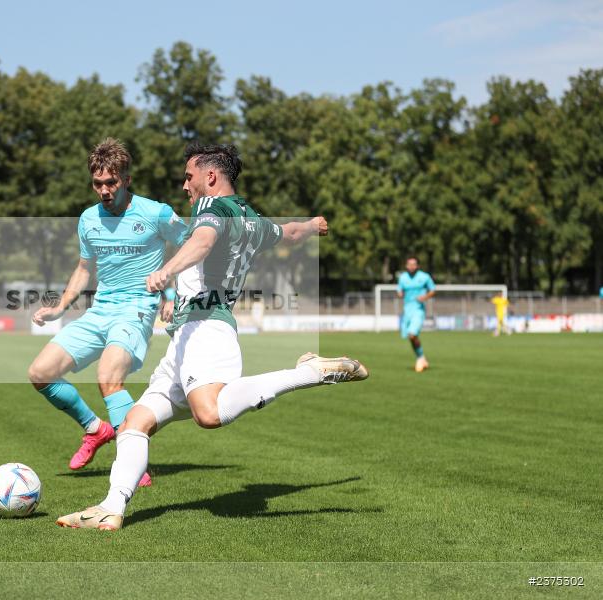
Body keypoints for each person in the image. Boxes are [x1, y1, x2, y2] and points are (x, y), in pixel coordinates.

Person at [57, 143, 369, 531]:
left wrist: (166, 271)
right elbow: (287, 233)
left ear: (210, 177)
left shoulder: (211, 207)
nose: (185, 185)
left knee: (209, 413)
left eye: (189, 176)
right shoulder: (251, 217)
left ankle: (308, 372)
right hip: (188, 334)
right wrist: (311, 226)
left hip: (205, 326)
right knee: (136, 420)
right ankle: (111, 507)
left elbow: (202, 241)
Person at [27, 138, 187, 486]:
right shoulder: (88, 219)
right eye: (97, 183)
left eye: (110, 182)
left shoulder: (156, 212)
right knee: (40, 372)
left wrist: (172, 292)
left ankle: (133, 464)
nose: (103, 189)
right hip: (100, 310)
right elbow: (84, 269)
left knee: (108, 377)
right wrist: (59, 309)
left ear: (126, 179)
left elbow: (191, 245)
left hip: (137, 310)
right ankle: (95, 429)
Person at [396, 257, 435, 372]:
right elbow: (399, 291)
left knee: (412, 334)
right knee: (411, 337)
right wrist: (400, 293)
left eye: (414, 264)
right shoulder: (402, 277)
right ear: (406, 266)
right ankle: (422, 358)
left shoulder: (424, 277)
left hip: (418, 310)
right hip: (407, 311)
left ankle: (420, 358)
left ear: (417, 266)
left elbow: (433, 290)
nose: (411, 266)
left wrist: (425, 297)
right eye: (409, 264)